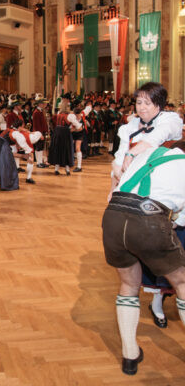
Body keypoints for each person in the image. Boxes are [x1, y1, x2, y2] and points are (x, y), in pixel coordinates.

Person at [102, 142, 185, 375]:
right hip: (148, 220)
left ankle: (130, 356)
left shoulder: (148, 154)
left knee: (129, 284)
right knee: (182, 283)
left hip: (113, 217)